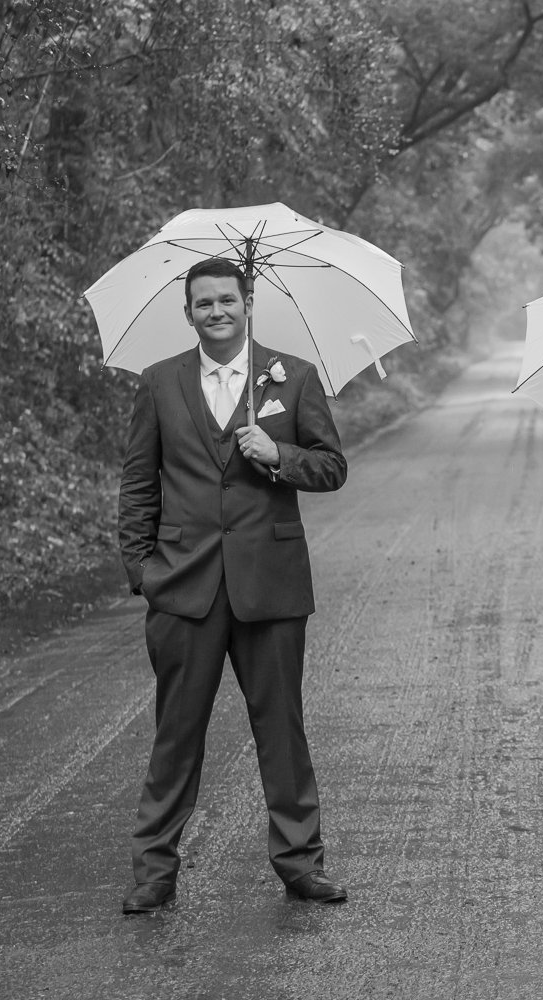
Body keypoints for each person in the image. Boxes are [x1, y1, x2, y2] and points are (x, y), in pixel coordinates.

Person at [117, 256, 349, 912]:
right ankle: (154, 870)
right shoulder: (160, 383)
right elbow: (138, 481)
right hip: (183, 586)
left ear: (248, 301)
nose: (216, 312)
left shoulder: (293, 377)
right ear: (187, 312)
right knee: (176, 732)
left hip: (270, 586)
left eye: (227, 300)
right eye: (203, 304)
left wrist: (280, 457)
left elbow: (332, 468)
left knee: (282, 726)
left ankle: (301, 862)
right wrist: (142, 572)